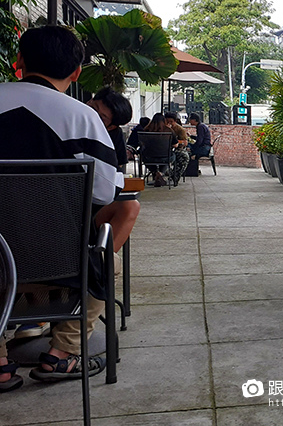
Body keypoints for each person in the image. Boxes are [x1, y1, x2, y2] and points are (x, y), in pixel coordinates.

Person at [0, 25, 124, 389]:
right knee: (102, 258)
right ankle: (63, 354)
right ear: (76, 72)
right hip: (62, 267)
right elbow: (105, 193)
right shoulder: (82, 118)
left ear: (18, 62)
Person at [88, 87, 141, 256]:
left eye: (102, 117)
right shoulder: (69, 122)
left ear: (111, 127)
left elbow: (117, 169)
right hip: (58, 209)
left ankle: (100, 265)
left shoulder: (112, 136)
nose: (93, 116)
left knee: (130, 205)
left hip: (90, 209)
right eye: (93, 108)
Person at [142, 113, 178, 187]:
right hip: (165, 157)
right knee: (172, 156)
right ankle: (161, 173)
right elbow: (175, 145)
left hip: (149, 157)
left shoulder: (146, 130)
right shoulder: (169, 130)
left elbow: (142, 144)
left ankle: (155, 172)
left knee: (143, 156)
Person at [164, 112, 190, 186]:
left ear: (175, 121)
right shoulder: (160, 127)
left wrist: (176, 142)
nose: (169, 123)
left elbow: (185, 142)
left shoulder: (180, 129)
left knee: (183, 156)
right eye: (167, 121)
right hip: (162, 149)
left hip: (176, 148)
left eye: (171, 122)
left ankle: (175, 176)